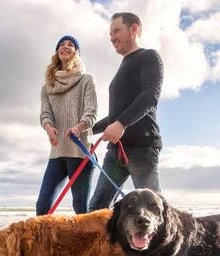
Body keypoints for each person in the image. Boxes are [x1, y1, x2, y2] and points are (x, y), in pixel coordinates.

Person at [88, 12, 164, 211]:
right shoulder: (122, 68)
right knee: (97, 208)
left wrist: (121, 124)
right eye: (110, 34)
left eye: (116, 30)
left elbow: (150, 96)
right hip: (116, 152)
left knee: (152, 212)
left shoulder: (149, 57)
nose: (112, 37)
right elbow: (114, 118)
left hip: (142, 149)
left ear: (134, 28)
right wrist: (87, 130)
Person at [36, 35, 98, 215]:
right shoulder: (47, 86)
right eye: (61, 44)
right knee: (42, 207)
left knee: (80, 210)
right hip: (57, 153)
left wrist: (78, 128)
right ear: (57, 52)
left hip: (80, 152)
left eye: (71, 45)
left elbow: (91, 112)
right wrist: (48, 128)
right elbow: (45, 114)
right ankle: (45, 244)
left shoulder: (86, 79)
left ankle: (87, 244)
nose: (65, 46)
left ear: (77, 53)